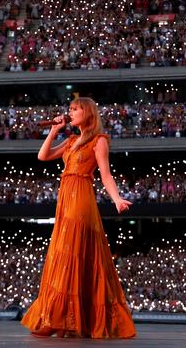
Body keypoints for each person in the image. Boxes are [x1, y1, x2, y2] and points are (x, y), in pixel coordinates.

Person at [21, 97, 136, 338]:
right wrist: (53, 131)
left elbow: (105, 174)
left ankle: (69, 317)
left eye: (75, 109)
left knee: (71, 251)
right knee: (67, 253)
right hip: (66, 197)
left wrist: (116, 199)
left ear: (89, 113)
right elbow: (43, 156)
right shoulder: (71, 140)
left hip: (82, 196)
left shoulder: (99, 140)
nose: (70, 113)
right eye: (70, 110)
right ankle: (68, 317)